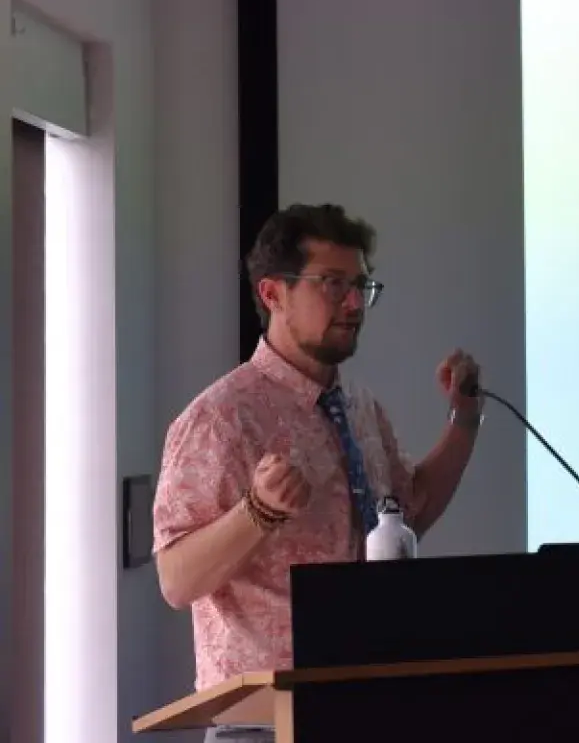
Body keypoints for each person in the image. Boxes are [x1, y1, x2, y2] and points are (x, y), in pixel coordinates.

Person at [152, 205, 483, 739]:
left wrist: (463, 422)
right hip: (267, 723)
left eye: (361, 286)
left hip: (367, 705)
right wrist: (256, 513)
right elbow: (176, 580)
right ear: (273, 294)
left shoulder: (360, 407)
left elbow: (407, 518)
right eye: (332, 284)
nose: (353, 304)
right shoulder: (220, 419)